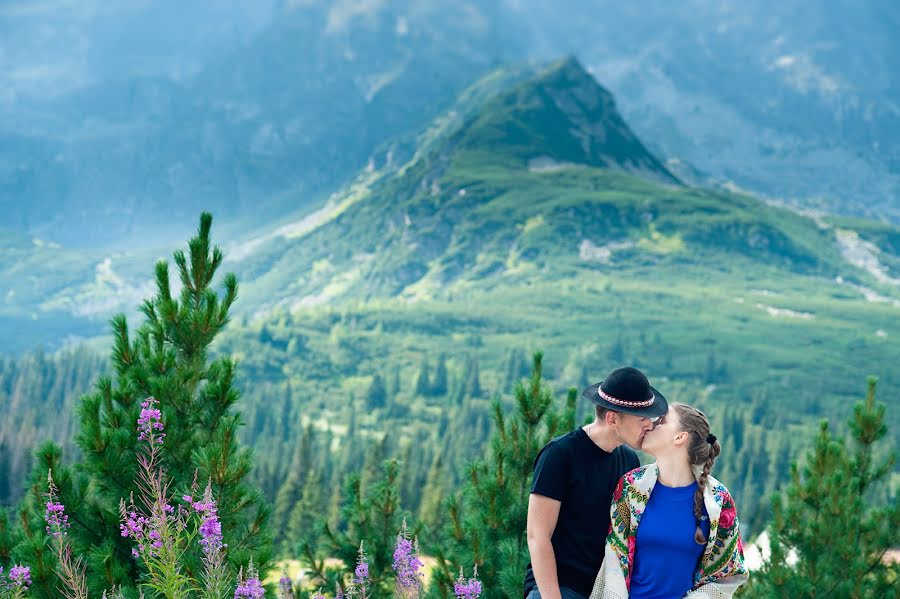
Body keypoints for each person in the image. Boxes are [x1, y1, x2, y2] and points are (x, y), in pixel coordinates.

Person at [524, 366, 669, 599]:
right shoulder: (560, 454)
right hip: (559, 588)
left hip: (605, 591)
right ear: (612, 418)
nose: (649, 425)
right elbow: (537, 535)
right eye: (642, 418)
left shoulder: (629, 461)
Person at [589, 403, 749, 599]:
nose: (649, 425)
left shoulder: (717, 500)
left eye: (661, 421)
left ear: (680, 437)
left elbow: (730, 573)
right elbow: (614, 558)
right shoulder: (630, 487)